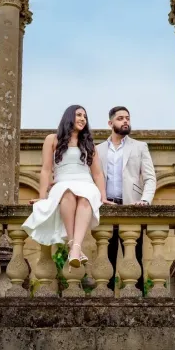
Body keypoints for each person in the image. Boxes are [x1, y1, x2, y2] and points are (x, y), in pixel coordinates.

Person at [21, 105, 113, 268]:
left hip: (86, 182)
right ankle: (75, 247)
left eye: (85, 116)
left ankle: (74, 249)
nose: (83, 118)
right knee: (67, 194)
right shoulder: (52, 139)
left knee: (85, 197)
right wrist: (42, 197)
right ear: (69, 117)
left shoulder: (89, 143)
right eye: (79, 115)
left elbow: (98, 174)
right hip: (62, 182)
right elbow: (46, 169)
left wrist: (103, 197)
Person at [95, 106, 156, 291]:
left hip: (132, 208)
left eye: (127, 118)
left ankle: (138, 302)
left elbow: (150, 178)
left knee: (135, 258)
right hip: (106, 208)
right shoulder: (97, 150)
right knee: (107, 258)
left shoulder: (140, 146)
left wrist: (145, 200)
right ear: (110, 123)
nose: (125, 121)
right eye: (120, 118)